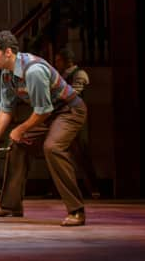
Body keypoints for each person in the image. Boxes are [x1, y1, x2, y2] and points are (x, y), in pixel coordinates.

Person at [0, 30, 87, 227]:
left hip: (69, 111)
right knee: (17, 144)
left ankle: (76, 211)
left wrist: (21, 128)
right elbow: (6, 109)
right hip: (49, 114)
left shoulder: (34, 71)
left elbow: (43, 111)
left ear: (7, 53)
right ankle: (10, 206)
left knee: (52, 147)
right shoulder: (6, 74)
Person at [54, 47, 99, 199]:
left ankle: (93, 188)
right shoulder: (61, 75)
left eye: (59, 60)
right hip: (62, 117)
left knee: (81, 152)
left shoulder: (79, 74)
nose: (56, 63)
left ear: (67, 60)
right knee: (60, 153)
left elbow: (74, 92)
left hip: (75, 117)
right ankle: (61, 189)